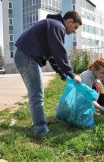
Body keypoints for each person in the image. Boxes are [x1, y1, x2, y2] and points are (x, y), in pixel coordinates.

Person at [14, 11, 82, 139]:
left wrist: (63, 74)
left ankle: (41, 123)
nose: (74, 31)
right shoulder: (57, 26)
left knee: (37, 94)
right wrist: (72, 74)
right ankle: (40, 131)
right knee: (36, 95)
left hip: (27, 56)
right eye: (75, 27)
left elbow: (52, 55)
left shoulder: (53, 25)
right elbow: (59, 52)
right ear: (69, 21)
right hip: (27, 57)